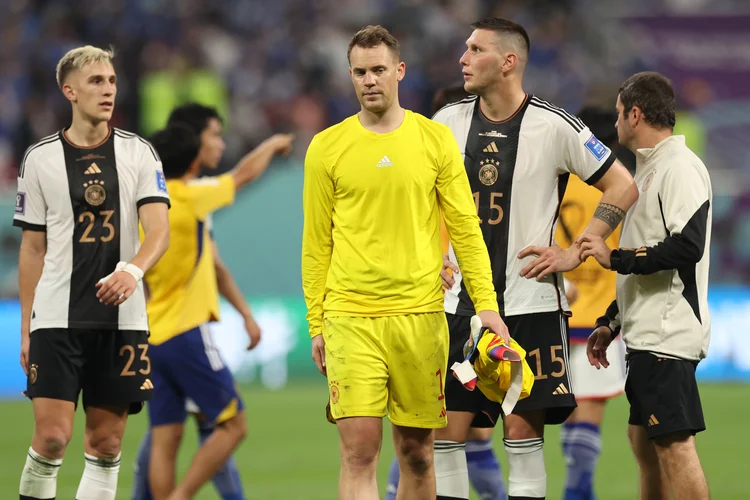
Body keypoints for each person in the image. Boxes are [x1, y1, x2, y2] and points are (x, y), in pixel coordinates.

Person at [433, 18, 639, 500]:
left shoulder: (555, 125)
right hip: (457, 310)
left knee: (523, 440)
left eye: (475, 48)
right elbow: (419, 199)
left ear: (508, 62)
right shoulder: (445, 123)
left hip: (530, 307)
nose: (462, 57)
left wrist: (575, 250)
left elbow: (622, 185)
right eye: (464, 47)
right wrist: (428, 254)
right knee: (444, 441)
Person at [302, 25, 507, 500]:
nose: (369, 80)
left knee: (416, 454)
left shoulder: (433, 140)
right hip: (350, 317)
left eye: (378, 70)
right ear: (349, 76)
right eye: (359, 72)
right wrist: (317, 323)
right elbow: (316, 244)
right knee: (359, 452)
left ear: (399, 71)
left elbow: (466, 229)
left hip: (420, 319)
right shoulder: (325, 148)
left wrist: (487, 304)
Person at [14, 45, 171, 500]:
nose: (108, 90)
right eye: (96, 82)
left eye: (112, 81)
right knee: (52, 438)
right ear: (70, 91)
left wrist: (133, 271)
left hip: (122, 322)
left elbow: (159, 230)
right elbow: (33, 248)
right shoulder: (39, 158)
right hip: (57, 319)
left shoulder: (139, 152)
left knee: (106, 444)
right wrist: (26, 327)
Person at [131, 103, 278, 499]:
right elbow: (242, 176)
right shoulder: (192, 196)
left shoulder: (147, 206)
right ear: (194, 155)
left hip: (153, 333)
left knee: (165, 438)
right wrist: (274, 144)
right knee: (234, 425)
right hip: (188, 329)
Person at [581, 71, 712, 500]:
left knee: (674, 446)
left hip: (667, 334)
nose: (615, 123)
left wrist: (613, 256)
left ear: (635, 114)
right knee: (643, 441)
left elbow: (685, 247)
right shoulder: (650, 171)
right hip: (645, 332)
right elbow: (647, 253)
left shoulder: (680, 168)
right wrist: (610, 323)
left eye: (619, 115)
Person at [386, 83, 510, 500]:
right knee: (434, 431)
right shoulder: (420, 167)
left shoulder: (453, 173)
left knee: (442, 431)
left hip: (463, 310)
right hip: (429, 310)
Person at [555, 107, 628, 500]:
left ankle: (576, 489)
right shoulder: (618, 189)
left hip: (558, 317)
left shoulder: (557, 184)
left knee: (565, 416)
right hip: (601, 321)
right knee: (589, 417)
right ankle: (577, 492)